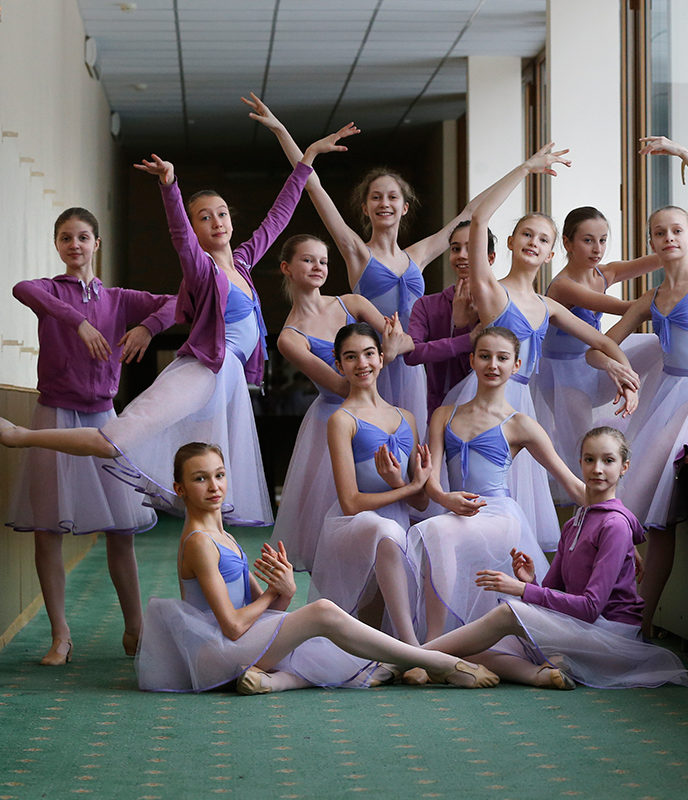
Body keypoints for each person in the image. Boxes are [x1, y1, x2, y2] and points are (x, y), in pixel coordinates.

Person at [0, 107, 341, 526]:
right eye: (204, 217)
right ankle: (20, 436)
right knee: (114, 442)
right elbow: (180, 237)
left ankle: (212, 565)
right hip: (201, 371)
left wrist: (307, 158)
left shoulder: (241, 263)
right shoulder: (202, 269)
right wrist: (170, 187)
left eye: (221, 213)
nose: (216, 222)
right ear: (196, 227)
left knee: (211, 483)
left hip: (229, 381)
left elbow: (278, 218)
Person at [246, 94, 522, 442]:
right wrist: (283, 132)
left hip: (414, 362)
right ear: (365, 207)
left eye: (392, 197)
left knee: (417, 444)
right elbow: (314, 189)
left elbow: (470, 213)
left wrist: (523, 169)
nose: (384, 203)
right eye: (376, 197)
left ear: (405, 207)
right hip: (377, 364)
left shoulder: (417, 255)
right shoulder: (357, 253)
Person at [135, 442, 499, 694]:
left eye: (219, 475)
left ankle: (276, 681)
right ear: (179, 489)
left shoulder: (222, 536)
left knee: (320, 641)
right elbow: (232, 625)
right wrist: (276, 595)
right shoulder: (199, 542)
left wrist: (284, 592)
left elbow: (264, 616)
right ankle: (439, 663)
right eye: (200, 479)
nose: (214, 486)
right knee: (323, 612)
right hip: (216, 653)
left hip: (236, 647)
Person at [6, 207, 176, 665]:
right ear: (58, 245)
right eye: (66, 238)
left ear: (97, 244)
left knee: (122, 531)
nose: (75, 245)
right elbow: (23, 290)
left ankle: (135, 629)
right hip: (54, 415)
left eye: (83, 237)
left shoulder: (118, 298)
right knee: (48, 530)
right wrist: (76, 321)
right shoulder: (48, 290)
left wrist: (147, 326)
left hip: (104, 419)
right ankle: (60, 635)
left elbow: (182, 301)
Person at [449, 144, 642, 549]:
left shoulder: (548, 305)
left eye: (542, 239)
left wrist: (625, 373)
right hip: (485, 400)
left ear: (552, 252)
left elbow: (602, 339)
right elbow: (479, 216)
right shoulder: (490, 291)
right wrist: (526, 168)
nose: (533, 242)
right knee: (484, 496)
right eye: (526, 234)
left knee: (519, 504)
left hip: (523, 405)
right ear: (512, 243)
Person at [421, 427, 688, 690]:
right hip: (582, 628)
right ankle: (539, 675)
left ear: (624, 467)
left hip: (610, 636)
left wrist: (522, 590)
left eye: (608, 460)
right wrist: (533, 581)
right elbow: (552, 597)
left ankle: (404, 658)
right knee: (482, 646)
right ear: (580, 463)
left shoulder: (615, 525)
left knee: (507, 613)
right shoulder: (575, 523)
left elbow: (590, 607)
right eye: (590, 459)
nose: (597, 468)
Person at [603, 137, 688, 638]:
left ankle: (640, 621)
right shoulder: (652, 296)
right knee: (639, 512)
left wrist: (684, 156)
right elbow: (601, 344)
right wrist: (620, 370)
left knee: (651, 515)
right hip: (661, 399)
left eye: (677, 230)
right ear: (652, 243)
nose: (668, 238)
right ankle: (629, 615)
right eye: (659, 233)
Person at [409, 327, 585, 642]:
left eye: (502, 358)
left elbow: (572, 484)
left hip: (499, 514)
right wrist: (445, 499)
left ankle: (431, 647)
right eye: (485, 356)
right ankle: (439, 641)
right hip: (457, 512)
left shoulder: (521, 424)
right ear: (472, 360)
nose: (493, 365)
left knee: (436, 530)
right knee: (437, 529)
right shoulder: (443, 415)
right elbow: (430, 481)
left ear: (516, 365)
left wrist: (618, 517)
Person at [273, 236, 413, 572]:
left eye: (323, 261)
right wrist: (380, 355)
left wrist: (390, 350)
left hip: (376, 410)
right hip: (334, 417)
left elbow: (403, 338)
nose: (318, 267)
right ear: (286, 268)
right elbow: (340, 383)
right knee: (337, 513)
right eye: (308, 260)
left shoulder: (352, 303)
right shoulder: (290, 337)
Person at [308, 323, 429, 650]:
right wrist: (405, 487)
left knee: (374, 630)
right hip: (359, 526)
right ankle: (412, 650)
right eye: (350, 357)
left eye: (368, 353)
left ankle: (395, 651)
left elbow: (419, 502)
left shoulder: (407, 417)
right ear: (339, 365)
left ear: (380, 357)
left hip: (399, 524)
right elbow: (349, 502)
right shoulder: (342, 420)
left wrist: (406, 485)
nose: (361, 363)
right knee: (383, 532)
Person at [535, 206, 663, 503]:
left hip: (593, 364)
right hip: (564, 377)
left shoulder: (605, 273)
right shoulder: (562, 286)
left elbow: (662, 256)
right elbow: (623, 308)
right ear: (567, 243)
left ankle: (647, 426)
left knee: (660, 348)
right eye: (588, 240)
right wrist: (662, 302)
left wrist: (679, 239)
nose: (597, 249)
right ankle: (586, 514)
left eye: (603, 240)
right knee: (583, 452)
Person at [403, 221, 496, 423]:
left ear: (490, 258)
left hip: (487, 415)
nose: (462, 255)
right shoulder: (427, 305)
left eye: (471, 248)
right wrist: (466, 337)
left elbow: (485, 368)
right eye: (455, 248)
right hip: (440, 414)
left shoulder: (498, 307)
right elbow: (411, 354)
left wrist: (462, 326)